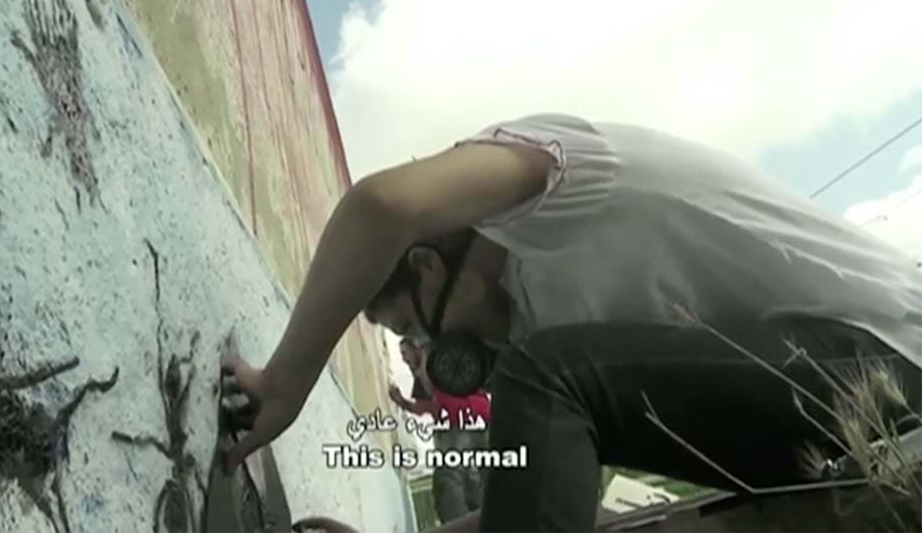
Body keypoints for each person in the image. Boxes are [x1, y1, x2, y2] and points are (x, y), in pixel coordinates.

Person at [221, 114, 922, 532]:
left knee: (549, 375)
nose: (432, 355)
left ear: (430, 266)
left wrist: (282, 385)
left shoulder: (552, 177)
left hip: (889, 359)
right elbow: (544, 506)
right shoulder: (539, 322)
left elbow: (381, 206)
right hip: (806, 418)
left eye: (418, 328)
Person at [389, 337, 490, 523]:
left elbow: (431, 408)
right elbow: (428, 408)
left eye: (405, 353)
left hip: (465, 420)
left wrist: (402, 402)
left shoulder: (431, 361)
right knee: (471, 480)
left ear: (415, 348)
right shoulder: (424, 374)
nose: (403, 359)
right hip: (478, 418)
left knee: (449, 478)